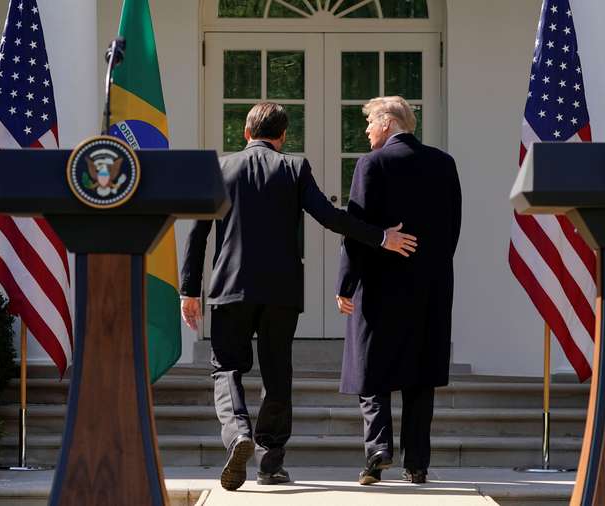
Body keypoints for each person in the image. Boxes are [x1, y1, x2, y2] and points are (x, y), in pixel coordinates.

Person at [179, 102, 417, 492]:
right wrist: (380, 236)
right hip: (281, 291)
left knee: (226, 367)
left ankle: (238, 432)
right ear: (283, 136)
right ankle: (270, 462)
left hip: (229, 288)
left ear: (246, 133)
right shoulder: (293, 167)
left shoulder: (219, 167)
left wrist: (189, 290)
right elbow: (328, 215)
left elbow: (197, 234)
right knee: (277, 373)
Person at [336, 96, 461, 485]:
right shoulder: (444, 164)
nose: (367, 131)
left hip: (379, 285)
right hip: (431, 286)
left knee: (370, 369)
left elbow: (355, 228)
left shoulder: (372, 164)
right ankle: (417, 463)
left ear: (387, 123)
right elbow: (452, 226)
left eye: (370, 123)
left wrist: (346, 283)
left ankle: (378, 450)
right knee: (420, 375)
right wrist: (432, 268)